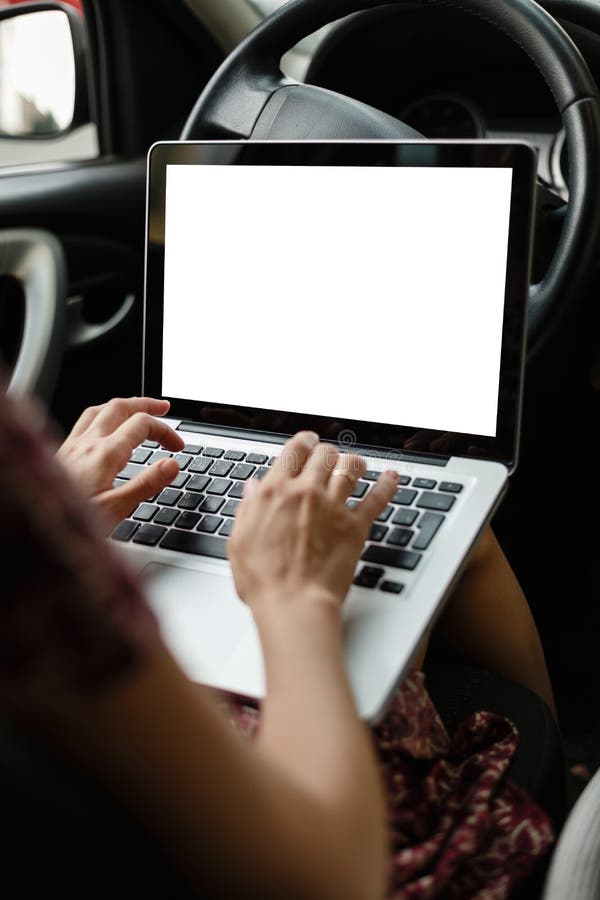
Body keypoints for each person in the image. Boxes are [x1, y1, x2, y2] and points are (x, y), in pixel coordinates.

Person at [0, 389, 559, 899]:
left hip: (69, 800)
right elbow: (331, 880)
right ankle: (561, 776)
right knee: (462, 538)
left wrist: (62, 522)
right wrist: (296, 597)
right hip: (264, 828)